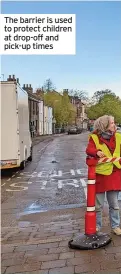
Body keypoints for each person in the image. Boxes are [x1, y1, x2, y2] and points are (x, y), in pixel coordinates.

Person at [86, 115, 121, 235]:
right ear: (105, 125)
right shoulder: (94, 137)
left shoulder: (118, 136)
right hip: (100, 176)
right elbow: (89, 150)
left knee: (114, 205)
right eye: (111, 123)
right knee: (98, 206)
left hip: (114, 175)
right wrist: (97, 152)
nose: (114, 125)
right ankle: (96, 226)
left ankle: (115, 226)